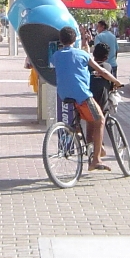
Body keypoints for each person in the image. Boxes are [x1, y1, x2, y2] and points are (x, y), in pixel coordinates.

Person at [51, 26, 121, 171]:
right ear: (75, 38)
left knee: (85, 118)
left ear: (61, 40)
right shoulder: (83, 54)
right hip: (81, 94)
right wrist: (116, 82)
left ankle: (79, 134)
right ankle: (96, 159)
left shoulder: (56, 55)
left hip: (64, 94)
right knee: (100, 119)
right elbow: (101, 71)